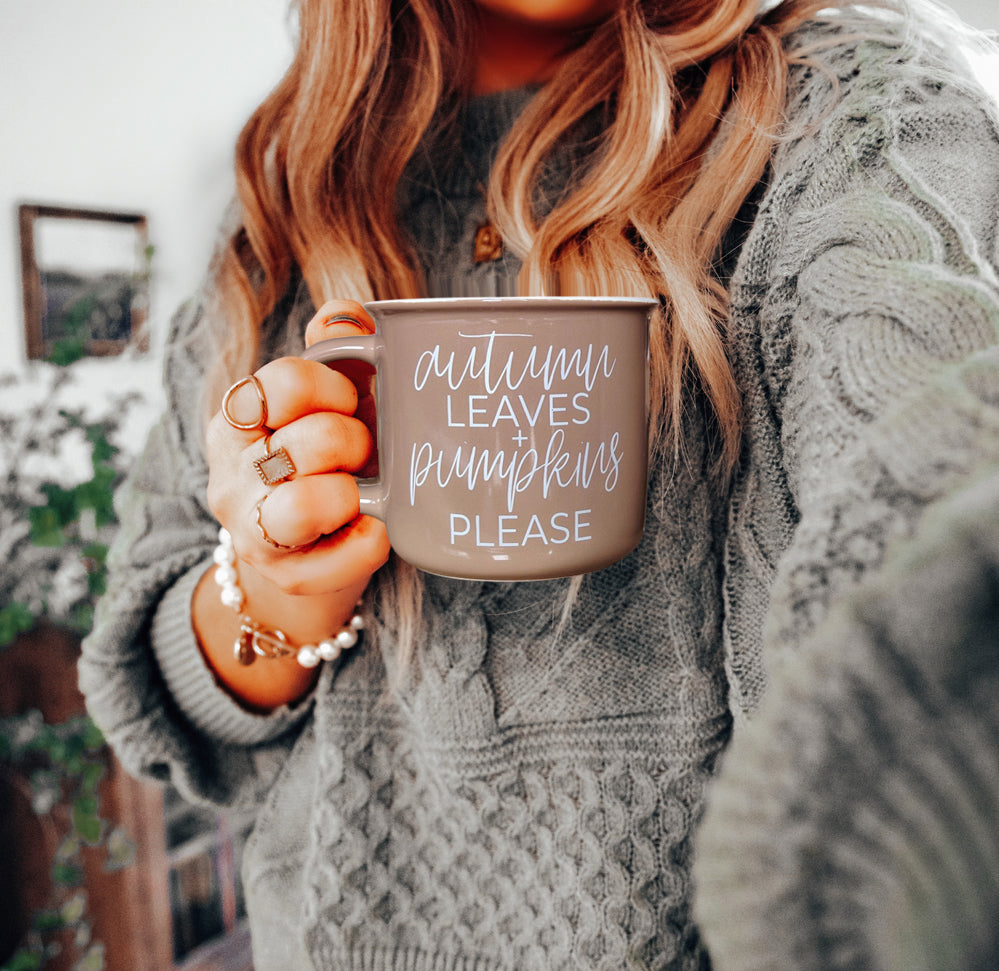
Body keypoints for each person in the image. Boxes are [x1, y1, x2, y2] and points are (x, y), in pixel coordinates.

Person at [79, 0, 999, 967]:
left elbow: (932, 515)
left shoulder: (853, 111)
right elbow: (152, 685)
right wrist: (279, 588)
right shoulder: (285, 204)